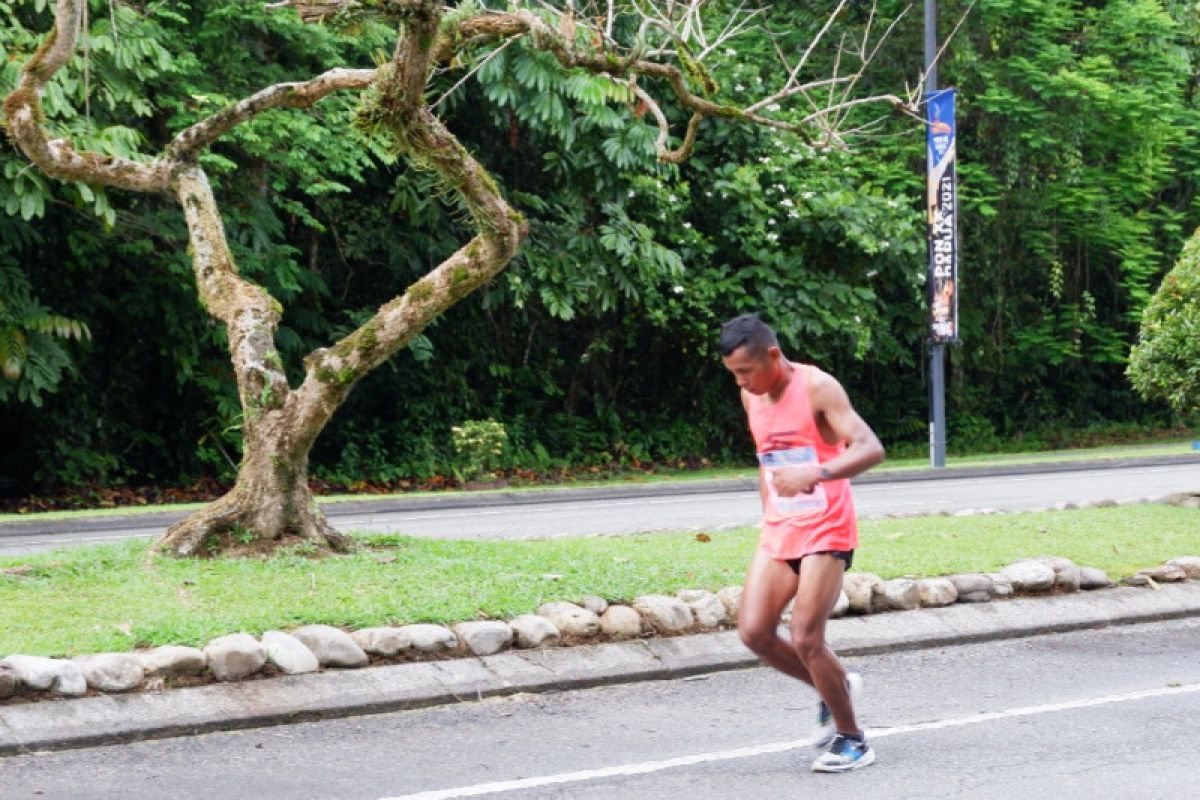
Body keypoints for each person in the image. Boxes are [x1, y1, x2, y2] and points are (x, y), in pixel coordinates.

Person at [718, 313, 885, 773]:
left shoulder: (817, 387)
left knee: (807, 636)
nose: (742, 382)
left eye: (747, 371)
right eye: (734, 374)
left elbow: (870, 446)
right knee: (754, 632)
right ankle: (836, 685)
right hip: (782, 526)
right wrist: (768, 510)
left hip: (827, 524)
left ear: (773, 355)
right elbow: (767, 460)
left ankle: (853, 739)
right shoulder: (750, 398)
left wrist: (819, 471)